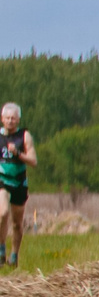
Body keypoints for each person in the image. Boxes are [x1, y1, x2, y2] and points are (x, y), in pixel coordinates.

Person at [0, 104, 33, 267]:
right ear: (2, 119)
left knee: (17, 224)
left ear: (18, 119)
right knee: (2, 212)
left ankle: (14, 255)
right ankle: (1, 249)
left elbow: (34, 161)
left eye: (13, 118)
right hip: (2, 181)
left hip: (19, 182)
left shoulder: (24, 137)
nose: (10, 121)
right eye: (7, 118)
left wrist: (18, 153)